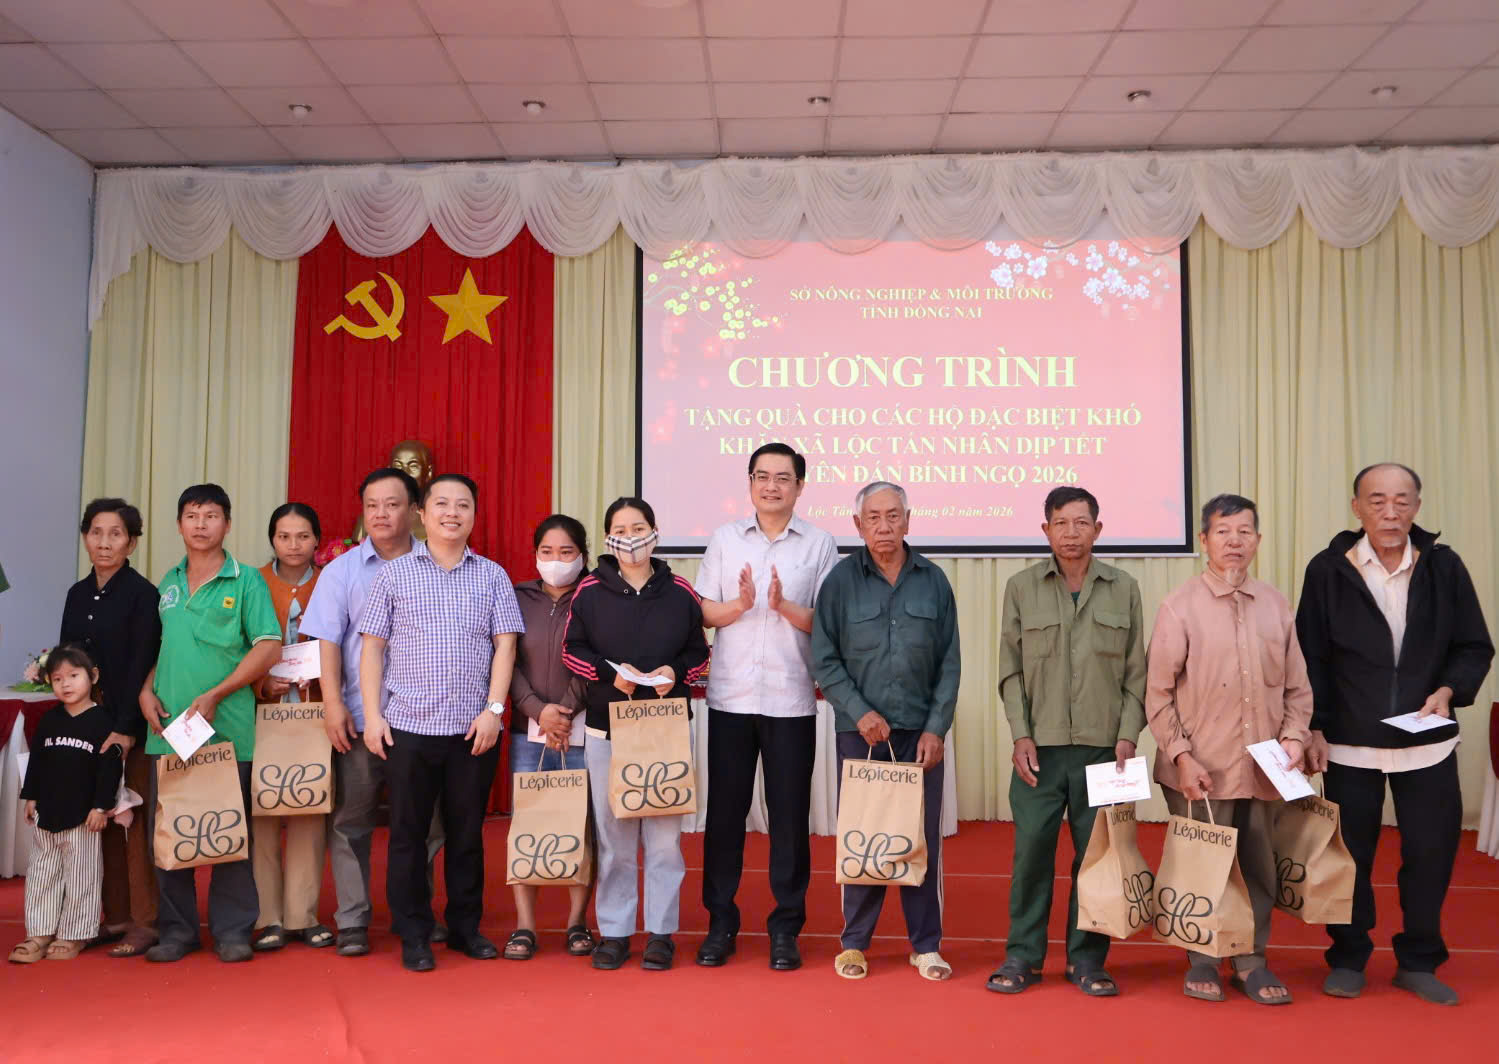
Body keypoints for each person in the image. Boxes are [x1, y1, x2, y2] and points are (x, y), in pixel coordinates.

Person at [1296, 463, 1493, 1006]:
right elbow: (1310, 654)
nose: (1390, 512)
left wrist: (1449, 690)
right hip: (1349, 742)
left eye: (1402, 501)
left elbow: (1474, 645)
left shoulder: (1444, 567)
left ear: (1417, 507)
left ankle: (1419, 961)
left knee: (1431, 854)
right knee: (1349, 857)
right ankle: (1349, 956)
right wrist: (1314, 726)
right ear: (1357, 507)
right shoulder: (1328, 570)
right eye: (1377, 500)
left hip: (1427, 741)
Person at [1145, 493, 1312, 1005]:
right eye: (1223, 532)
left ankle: (1251, 959)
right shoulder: (1180, 606)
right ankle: (1202, 958)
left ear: (1257, 540)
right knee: (1204, 864)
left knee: (1258, 865)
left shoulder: (1277, 606)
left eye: (1244, 532)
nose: (1234, 541)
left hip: (1263, 766)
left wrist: (1295, 737)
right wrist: (1181, 755)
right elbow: (1158, 694)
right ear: (1204, 540)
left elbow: (1298, 688)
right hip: (1200, 768)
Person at [358, 473, 523, 973]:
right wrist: (372, 716)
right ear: (422, 514)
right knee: (407, 835)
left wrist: (495, 711)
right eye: (442, 504)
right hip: (407, 727)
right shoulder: (393, 575)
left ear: (474, 514)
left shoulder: (492, 575)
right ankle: (413, 932)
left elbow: (506, 646)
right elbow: (372, 649)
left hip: (473, 730)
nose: (453, 513)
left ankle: (465, 928)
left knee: (467, 834)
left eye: (463, 505)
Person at [990, 486, 1146, 997]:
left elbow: (1137, 672)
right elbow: (1010, 671)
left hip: (1105, 753)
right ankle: (1022, 956)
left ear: (1098, 530)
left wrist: (1128, 735)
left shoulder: (1123, 588)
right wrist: (1020, 734)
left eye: (1082, 523)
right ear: (1046, 530)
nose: (1071, 533)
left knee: (1098, 858)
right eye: (1061, 523)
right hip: (1040, 752)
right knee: (1031, 855)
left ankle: (1087, 960)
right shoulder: (1021, 587)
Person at [694, 442, 837, 972]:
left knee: (790, 820)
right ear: (750, 482)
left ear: (800, 486)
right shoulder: (725, 539)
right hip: (730, 697)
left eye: (782, 477)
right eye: (762, 476)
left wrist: (782, 606)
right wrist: (741, 605)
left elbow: (828, 622)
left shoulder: (820, 544)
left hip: (790, 699)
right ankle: (720, 924)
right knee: (724, 817)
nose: (771, 486)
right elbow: (705, 612)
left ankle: (786, 928)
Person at [812, 481, 960, 982]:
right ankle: (854, 944)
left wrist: (936, 728)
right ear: (858, 525)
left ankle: (926, 945)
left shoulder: (933, 581)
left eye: (893, 516)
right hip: (861, 735)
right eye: (873, 517)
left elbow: (949, 663)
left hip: (920, 735)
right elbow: (824, 658)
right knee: (865, 834)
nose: (884, 526)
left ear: (908, 520)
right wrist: (859, 712)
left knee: (922, 838)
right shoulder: (839, 583)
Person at [301, 468, 447, 959]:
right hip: (362, 720)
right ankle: (353, 919)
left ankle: (416, 913)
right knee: (352, 822)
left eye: (392, 504)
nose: (381, 514)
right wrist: (333, 704)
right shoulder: (342, 571)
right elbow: (326, 641)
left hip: (422, 720)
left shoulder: (438, 564)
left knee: (425, 824)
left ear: (415, 512)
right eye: (372, 505)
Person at [562, 496, 710, 972]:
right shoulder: (589, 591)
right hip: (608, 730)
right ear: (609, 538)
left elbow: (700, 653)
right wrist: (611, 676)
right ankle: (616, 931)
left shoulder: (680, 591)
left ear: (655, 531)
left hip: (666, 730)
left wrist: (676, 672)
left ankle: (661, 933)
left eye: (639, 527)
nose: (631, 538)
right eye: (621, 530)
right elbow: (571, 650)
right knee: (615, 839)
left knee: (665, 842)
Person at [140, 483, 282, 964]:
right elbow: (162, 648)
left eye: (211, 515)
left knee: (229, 832)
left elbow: (268, 647)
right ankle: (177, 932)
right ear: (179, 524)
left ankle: (233, 931)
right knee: (170, 830)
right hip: (169, 730)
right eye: (192, 515)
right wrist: (145, 689)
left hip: (227, 728)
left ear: (227, 523)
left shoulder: (246, 581)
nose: (201, 524)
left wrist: (218, 694)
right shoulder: (168, 582)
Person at [58, 498, 161, 957]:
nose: (104, 542)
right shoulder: (76, 594)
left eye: (115, 534)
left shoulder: (143, 594)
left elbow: (143, 663)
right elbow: (67, 660)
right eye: (96, 533)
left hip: (130, 724)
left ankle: (146, 921)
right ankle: (115, 915)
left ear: (132, 543)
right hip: (89, 723)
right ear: (85, 538)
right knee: (99, 817)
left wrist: (126, 727)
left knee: (133, 820)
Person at [504, 514, 595, 961]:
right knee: (529, 822)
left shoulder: (595, 595)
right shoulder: (516, 596)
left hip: (583, 727)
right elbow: (504, 657)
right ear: (535, 554)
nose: (556, 560)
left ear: (583, 555)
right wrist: (537, 710)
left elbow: (598, 656)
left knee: (581, 824)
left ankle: (577, 922)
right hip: (528, 728)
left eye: (566, 552)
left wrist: (565, 711)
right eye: (547, 552)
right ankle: (525, 926)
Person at [250, 502, 332, 952]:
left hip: (315, 709)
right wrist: (263, 683)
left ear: (317, 539)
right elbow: (238, 646)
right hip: (261, 711)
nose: (294, 545)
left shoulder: (330, 581)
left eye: (303, 536)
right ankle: (268, 917)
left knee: (308, 806)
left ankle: (304, 915)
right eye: (284, 536)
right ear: (273, 540)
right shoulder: (253, 582)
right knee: (263, 811)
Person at [8, 646, 123, 963]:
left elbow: (109, 768)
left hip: (84, 817)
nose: (66, 684)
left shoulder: (103, 721)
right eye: (58, 679)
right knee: (41, 874)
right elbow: (37, 761)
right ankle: (39, 933)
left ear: (93, 676)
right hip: (48, 812)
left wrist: (101, 807)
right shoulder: (49, 720)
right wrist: (31, 795)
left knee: (82, 877)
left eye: (73, 675)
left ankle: (74, 934)